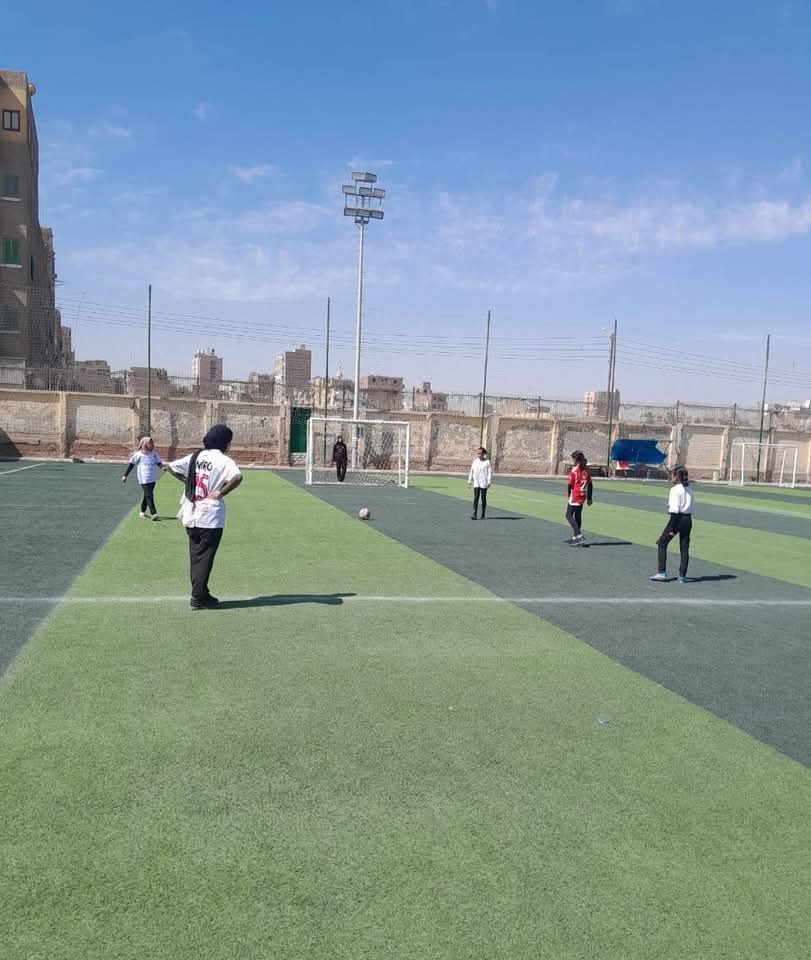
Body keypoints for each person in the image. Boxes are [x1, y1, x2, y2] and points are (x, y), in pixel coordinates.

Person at [165, 424, 243, 610]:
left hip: (191, 511)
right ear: (224, 442)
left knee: (196, 556)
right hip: (210, 514)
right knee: (205, 557)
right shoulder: (223, 460)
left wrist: (187, 482)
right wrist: (221, 493)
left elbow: (170, 467)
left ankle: (201, 591)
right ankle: (198, 597)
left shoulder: (196, 456)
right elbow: (237, 477)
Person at [650, 466, 694, 584]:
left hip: (677, 519)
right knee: (684, 547)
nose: (671, 477)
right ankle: (682, 576)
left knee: (662, 543)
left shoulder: (675, 490)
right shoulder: (689, 489)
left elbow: (674, 510)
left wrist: (672, 528)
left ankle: (662, 573)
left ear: (676, 477)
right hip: (688, 519)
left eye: (672, 475)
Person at [121, 436, 163, 520]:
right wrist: (125, 475)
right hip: (144, 478)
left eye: (152, 443)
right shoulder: (138, 455)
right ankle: (153, 513)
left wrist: (163, 467)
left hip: (152, 477)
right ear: (144, 444)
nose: (151, 444)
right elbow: (131, 465)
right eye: (150, 443)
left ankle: (142, 512)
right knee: (149, 495)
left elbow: (158, 463)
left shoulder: (154, 453)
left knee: (147, 495)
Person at [564, 450, 593, 545]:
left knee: (568, 515)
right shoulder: (586, 469)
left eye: (573, 459)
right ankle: (575, 537)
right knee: (577, 515)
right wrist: (589, 498)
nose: (572, 461)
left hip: (575, 495)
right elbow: (590, 484)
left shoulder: (574, 470)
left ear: (576, 460)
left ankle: (579, 536)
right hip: (582, 495)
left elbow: (570, 485)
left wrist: (569, 495)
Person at [467, 446, 493, 519]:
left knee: (483, 498)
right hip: (476, 482)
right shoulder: (475, 461)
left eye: (480, 453)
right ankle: (474, 514)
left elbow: (489, 472)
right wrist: (469, 481)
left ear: (483, 454)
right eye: (477, 453)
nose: (478, 455)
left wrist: (489, 481)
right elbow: (471, 471)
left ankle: (483, 514)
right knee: (476, 497)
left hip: (484, 482)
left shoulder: (487, 462)